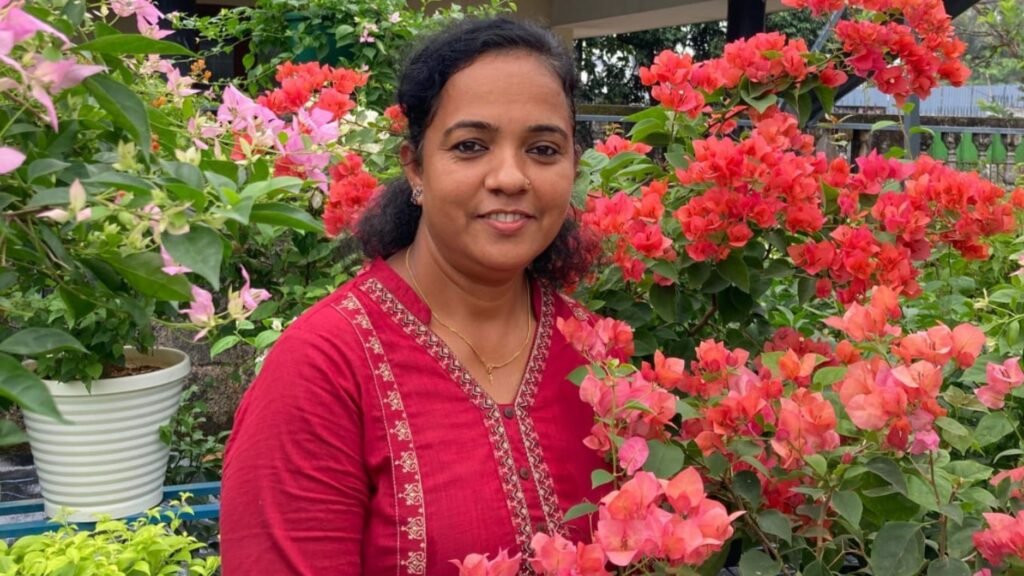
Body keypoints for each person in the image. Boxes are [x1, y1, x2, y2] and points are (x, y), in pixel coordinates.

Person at [220, 17, 608, 575]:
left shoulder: (596, 356)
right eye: (471, 146)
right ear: (416, 169)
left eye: (544, 149)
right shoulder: (323, 369)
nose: (510, 177)